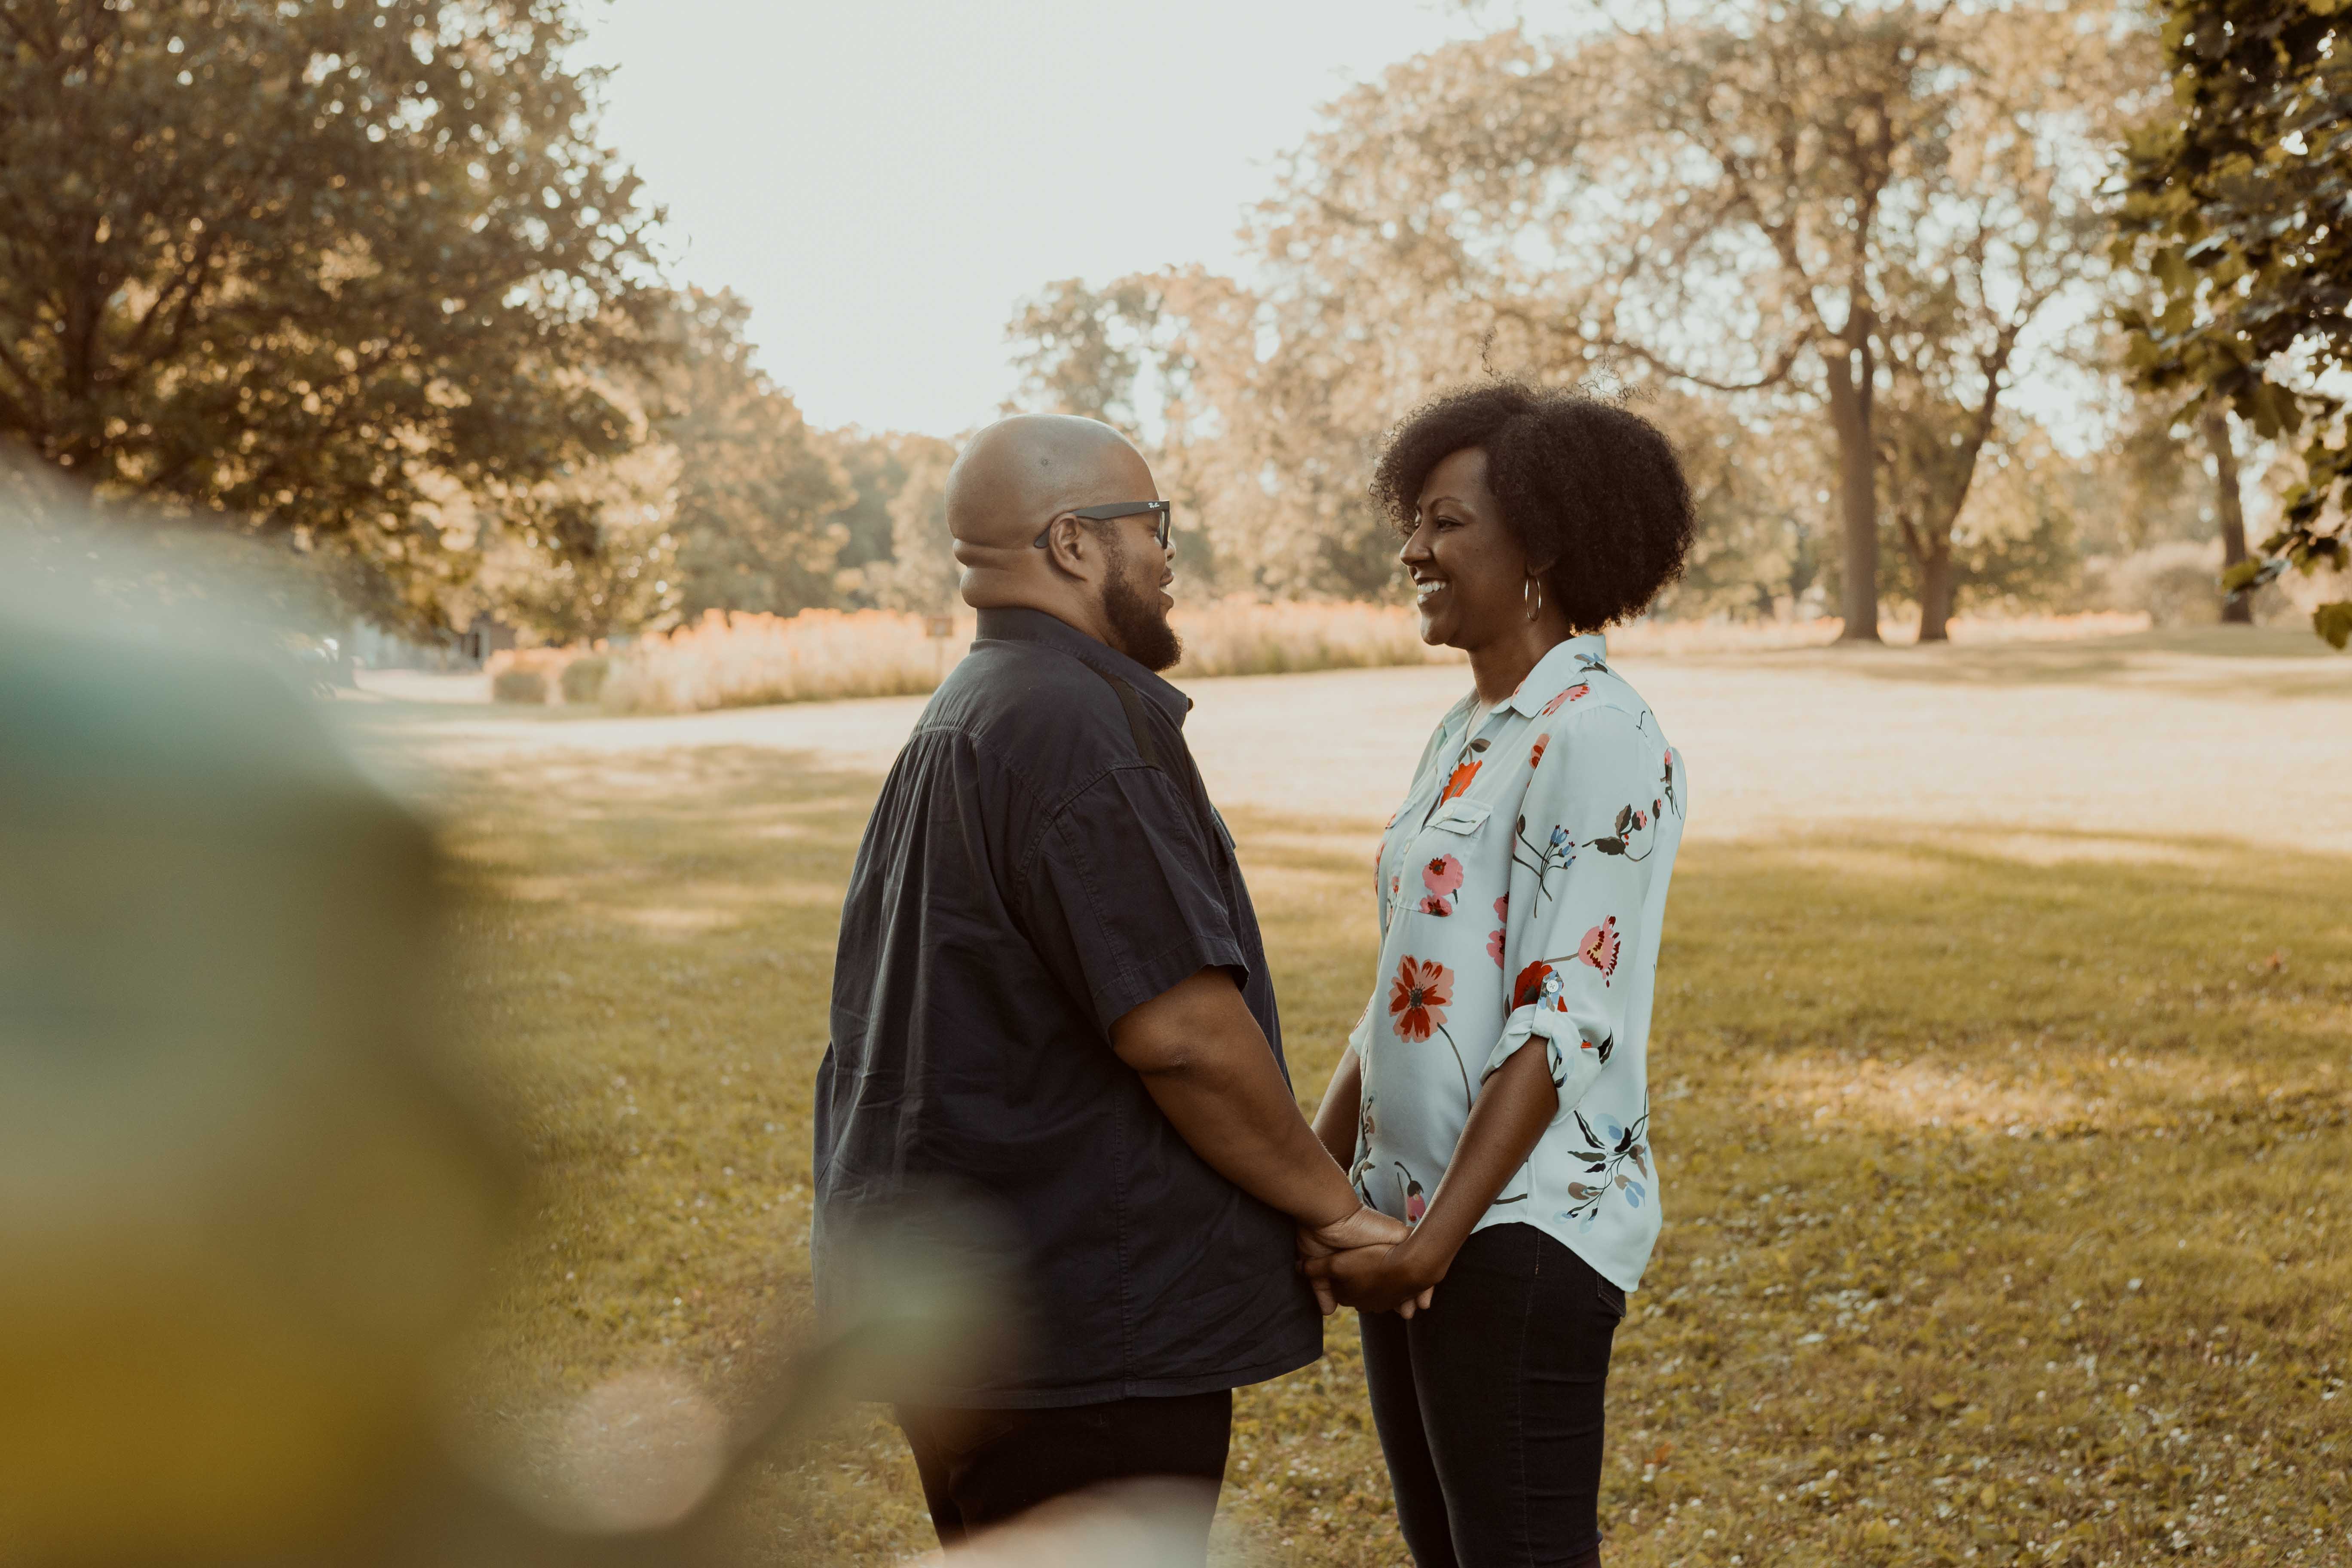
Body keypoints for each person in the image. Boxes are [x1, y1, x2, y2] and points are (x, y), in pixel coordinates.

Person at [812, 413, 1407, 1558]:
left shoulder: (975, 707)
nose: (1169, 554)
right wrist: (1334, 1208)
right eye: (1153, 523)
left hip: (979, 1323)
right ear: (1075, 543)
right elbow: (1181, 1032)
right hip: (1076, 1333)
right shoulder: (1075, 727)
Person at [1304, 382, 1697, 1568]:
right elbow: (1401, 994)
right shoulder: (1470, 728)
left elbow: (1564, 1015)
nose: (1412, 551)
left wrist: (1437, 1243)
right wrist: (1317, 1187)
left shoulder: (1598, 730)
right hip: (1411, 1224)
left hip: (1518, 1234)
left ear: (1543, 547)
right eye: (1413, 521)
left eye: (1447, 523)